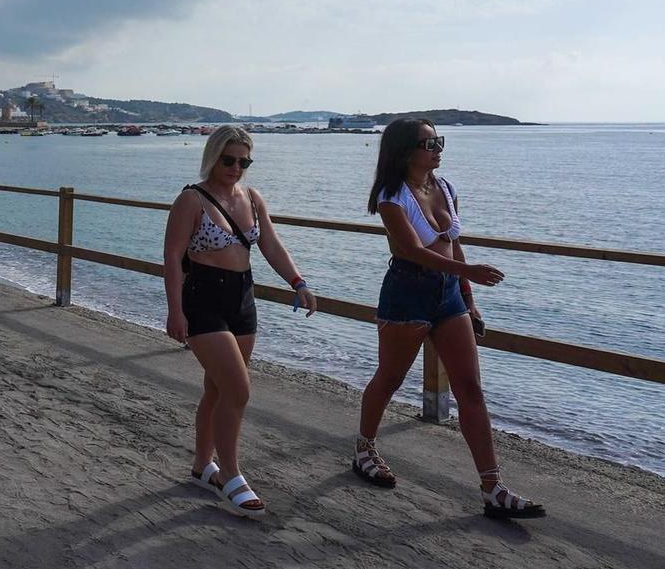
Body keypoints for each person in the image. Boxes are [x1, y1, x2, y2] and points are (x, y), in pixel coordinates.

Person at [353, 119, 544, 519]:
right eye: (430, 142)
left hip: (450, 294)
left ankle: (493, 487)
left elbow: (454, 245)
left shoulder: (446, 187)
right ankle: (364, 448)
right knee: (389, 378)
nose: (439, 148)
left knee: (470, 389)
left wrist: (469, 298)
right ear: (406, 150)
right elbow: (408, 250)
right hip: (408, 291)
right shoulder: (392, 195)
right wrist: (468, 272)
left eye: (440, 140)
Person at [161, 125, 315, 520]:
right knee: (238, 389)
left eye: (243, 161)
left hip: (242, 298)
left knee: (217, 389)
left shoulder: (252, 197)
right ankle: (230, 475)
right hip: (204, 301)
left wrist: (297, 282)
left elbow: (271, 244)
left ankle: (201, 467)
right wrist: (174, 310)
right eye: (228, 160)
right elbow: (173, 258)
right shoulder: (191, 200)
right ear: (213, 156)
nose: (235, 168)